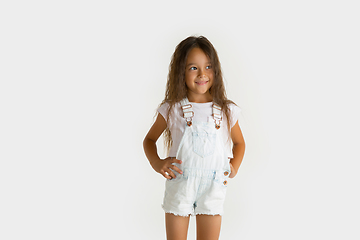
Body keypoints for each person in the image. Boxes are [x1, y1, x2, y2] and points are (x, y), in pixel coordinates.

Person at [143, 35, 246, 240]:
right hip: (180, 183)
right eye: (193, 68)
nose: (202, 74)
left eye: (208, 67)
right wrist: (157, 163)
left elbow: (239, 142)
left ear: (215, 70)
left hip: (213, 185)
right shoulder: (172, 109)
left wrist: (235, 165)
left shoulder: (226, 110)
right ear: (180, 71)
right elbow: (149, 140)